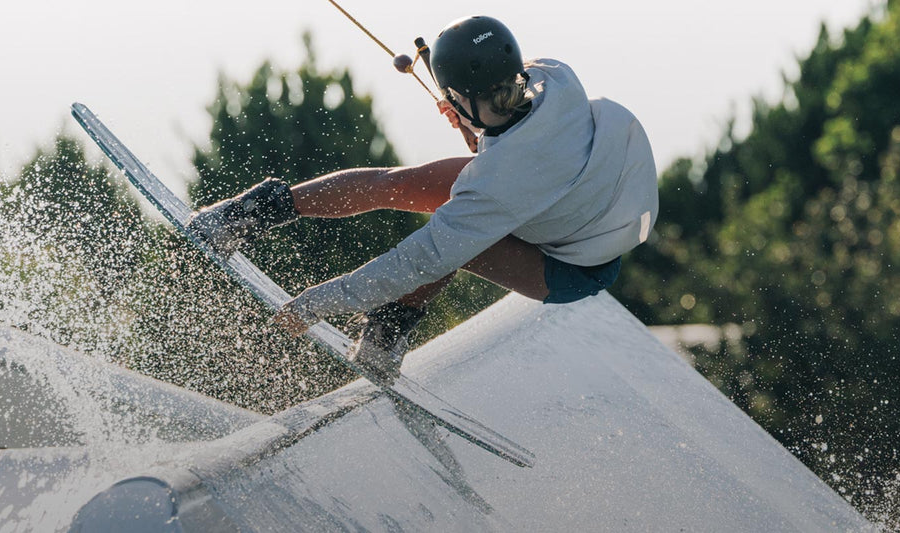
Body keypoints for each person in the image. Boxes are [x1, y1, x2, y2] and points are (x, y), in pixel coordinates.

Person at [186, 15, 658, 384]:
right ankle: (248, 214)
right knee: (398, 182)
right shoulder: (554, 78)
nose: (494, 105)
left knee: (456, 240)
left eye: (497, 96)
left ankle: (388, 332)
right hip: (571, 199)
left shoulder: (498, 182)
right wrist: (474, 127)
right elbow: (523, 150)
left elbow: (418, 260)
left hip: (575, 268)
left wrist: (314, 304)